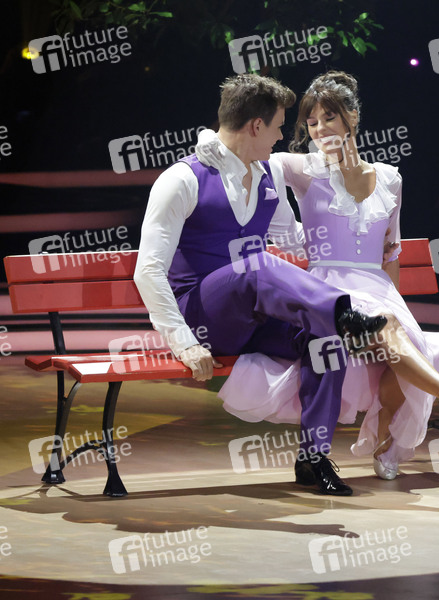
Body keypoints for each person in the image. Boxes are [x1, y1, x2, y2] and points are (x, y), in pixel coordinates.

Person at [216, 71, 439, 480]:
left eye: (330, 118)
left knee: (406, 337)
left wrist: (398, 304)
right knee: (389, 329)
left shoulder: (390, 178)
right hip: (328, 290)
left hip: (379, 289)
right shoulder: (302, 168)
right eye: (311, 122)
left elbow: (390, 252)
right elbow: (249, 153)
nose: (320, 129)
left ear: (353, 117)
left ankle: (386, 432)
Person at [133, 73, 387, 496]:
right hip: (202, 317)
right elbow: (148, 270)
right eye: (277, 127)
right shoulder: (182, 179)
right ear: (255, 126)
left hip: (251, 317)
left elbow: (295, 239)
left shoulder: (267, 174)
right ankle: (342, 312)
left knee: (325, 339)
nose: (281, 137)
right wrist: (184, 343)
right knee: (255, 263)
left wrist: (362, 238)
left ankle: (313, 459)